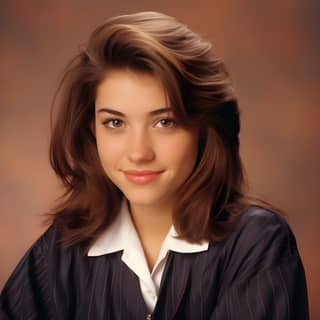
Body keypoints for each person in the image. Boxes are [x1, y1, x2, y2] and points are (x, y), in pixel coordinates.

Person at [0, 11, 309, 320]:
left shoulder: (256, 244)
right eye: (115, 122)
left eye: (164, 121)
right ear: (92, 129)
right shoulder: (61, 250)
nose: (138, 153)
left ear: (204, 126)